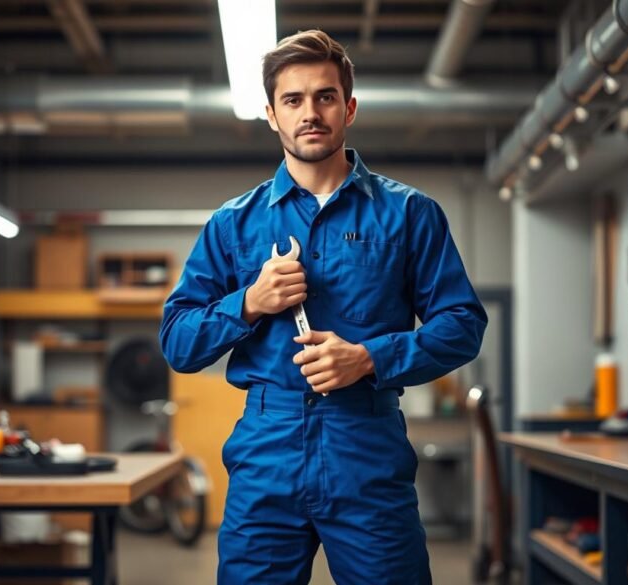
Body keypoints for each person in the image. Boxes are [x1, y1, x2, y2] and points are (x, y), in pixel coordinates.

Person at [159, 29, 487, 585]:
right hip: (267, 450)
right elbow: (178, 342)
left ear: (349, 108)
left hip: (366, 447)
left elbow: (462, 325)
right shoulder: (233, 223)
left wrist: (369, 358)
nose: (310, 113)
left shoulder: (410, 214)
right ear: (272, 115)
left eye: (325, 97)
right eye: (293, 100)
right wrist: (250, 302)